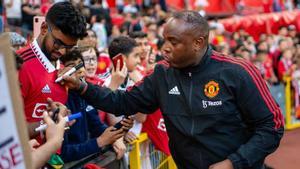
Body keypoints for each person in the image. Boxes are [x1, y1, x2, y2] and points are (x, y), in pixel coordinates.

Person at [62, 11, 284, 169]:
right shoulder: (161, 74)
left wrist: (232, 164)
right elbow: (122, 102)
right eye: (163, 40)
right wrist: (82, 87)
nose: (164, 48)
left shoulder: (237, 72)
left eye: (173, 41)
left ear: (198, 43)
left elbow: (271, 127)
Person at [17, 1, 87, 140]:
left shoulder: (62, 69)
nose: (62, 51)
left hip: (54, 159)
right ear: (44, 28)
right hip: (28, 160)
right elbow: (9, 131)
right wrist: (50, 121)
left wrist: (64, 117)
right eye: (58, 43)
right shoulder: (19, 65)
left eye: (70, 47)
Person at [59, 50, 133, 163]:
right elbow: (64, 153)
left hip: (83, 161)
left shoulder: (84, 94)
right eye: (72, 67)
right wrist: (100, 142)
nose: (79, 70)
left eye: (80, 64)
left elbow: (97, 126)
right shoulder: (60, 101)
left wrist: (120, 129)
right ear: (61, 72)